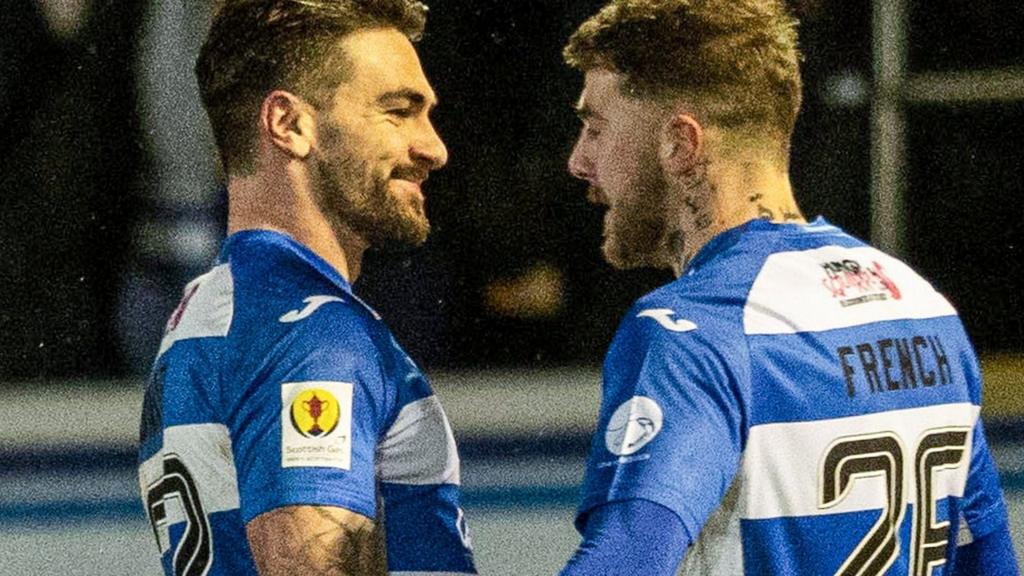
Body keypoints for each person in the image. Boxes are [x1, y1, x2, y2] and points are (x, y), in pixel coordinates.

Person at [558, 1, 1020, 574]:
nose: (579, 160)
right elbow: (990, 561)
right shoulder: (924, 308)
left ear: (681, 144)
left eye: (595, 127)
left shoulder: (694, 330)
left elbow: (628, 557)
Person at [136, 1, 477, 574]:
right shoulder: (317, 334)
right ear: (289, 125)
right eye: (399, 112)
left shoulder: (208, 312)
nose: (434, 148)